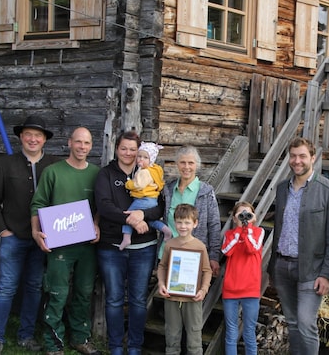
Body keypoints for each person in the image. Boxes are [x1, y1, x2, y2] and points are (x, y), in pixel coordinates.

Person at [0, 116, 61, 355]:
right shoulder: (5, 164)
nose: (33, 139)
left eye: (38, 135)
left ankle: (26, 335)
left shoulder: (53, 165)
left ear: (44, 140)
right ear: (21, 137)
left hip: (42, 238)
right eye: (28, 134)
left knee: (33, 287)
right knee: (6, 288)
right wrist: (3, 232)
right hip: (14, 236)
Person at [268, 137, 329, 354]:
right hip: (282, 267)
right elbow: (279, 228)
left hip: (311, 270)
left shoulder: (328, 191)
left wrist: (327, 274)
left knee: (305, 323)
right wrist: (272, 267)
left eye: (302, 156)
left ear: (313, 158)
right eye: (293, 156)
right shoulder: (282, 189)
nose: (297, 161)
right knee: (292, 322)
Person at [30, 127, 101, 355]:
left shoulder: (97, 174)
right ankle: (53, 343)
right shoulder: (53, 172)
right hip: (59, 244)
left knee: (84, 291)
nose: (82, 147)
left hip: (87, 246)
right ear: (70, 143)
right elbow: (38, 204)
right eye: (78, 142)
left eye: (87, 143)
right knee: (57, 293)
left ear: (91, 146)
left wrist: (96, 224)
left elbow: (99, 206)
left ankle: (80, 338)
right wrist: (35, 232)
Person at [94, 132, 164, 355]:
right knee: (114, 299)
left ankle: (134, 346)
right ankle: (115, 346)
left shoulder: (148, 172)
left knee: (138, 300)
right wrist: (130, 219)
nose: (128, 153)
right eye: (123, 148)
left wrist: (142, 216)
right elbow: (104, 206)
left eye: (132, 149)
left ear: (139, 151)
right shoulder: (106, 174)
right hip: (111, 247)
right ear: (117, 149)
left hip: (143, 248)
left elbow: (160, 206)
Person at [157, 204, 212, 355]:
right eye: (179, 222)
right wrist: (161, 283)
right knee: (172, 336)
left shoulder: (199, 246)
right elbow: (162, 266)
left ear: (195, 223)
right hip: (172, 297)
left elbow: (207, 271)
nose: (183, 226)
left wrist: (203, 289)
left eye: (187, 222)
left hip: (193, 299)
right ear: (174, 223)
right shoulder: (170, 244)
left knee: (194, 339)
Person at [162, 145, 221, 276]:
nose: (186, 167)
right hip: (169, 252)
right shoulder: (168, 190)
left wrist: (213, 256)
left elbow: (214, 225)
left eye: (191, 163)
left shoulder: (206, 191)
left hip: (194, 255)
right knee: (168, 294)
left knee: (191, 294)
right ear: (177, 164)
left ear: (197, 165)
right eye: (182, 162)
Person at [221, 201, 265, 355]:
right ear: (234, 218)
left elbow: (253, 248)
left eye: (247, 214)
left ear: (253, 217)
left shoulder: (259, 232)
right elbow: (227, 251)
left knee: (249, 333)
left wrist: (249, 229)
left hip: (250, 289)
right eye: (240, 214)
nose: (244, 217)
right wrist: (239, 230)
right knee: (231, 333)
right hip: (231, 289)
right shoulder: (229, 235)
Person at [119, 141, 171, 250]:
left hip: (143, 199)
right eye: (139, 156)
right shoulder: (155, 170)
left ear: (151, 159)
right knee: (151, 221)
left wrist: (128, 184)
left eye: (145, 157)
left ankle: (126, 237)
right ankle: (165, 229)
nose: (141, 160)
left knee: (129, 216)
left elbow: (138, 185)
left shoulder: (144, 172)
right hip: (152, 200)